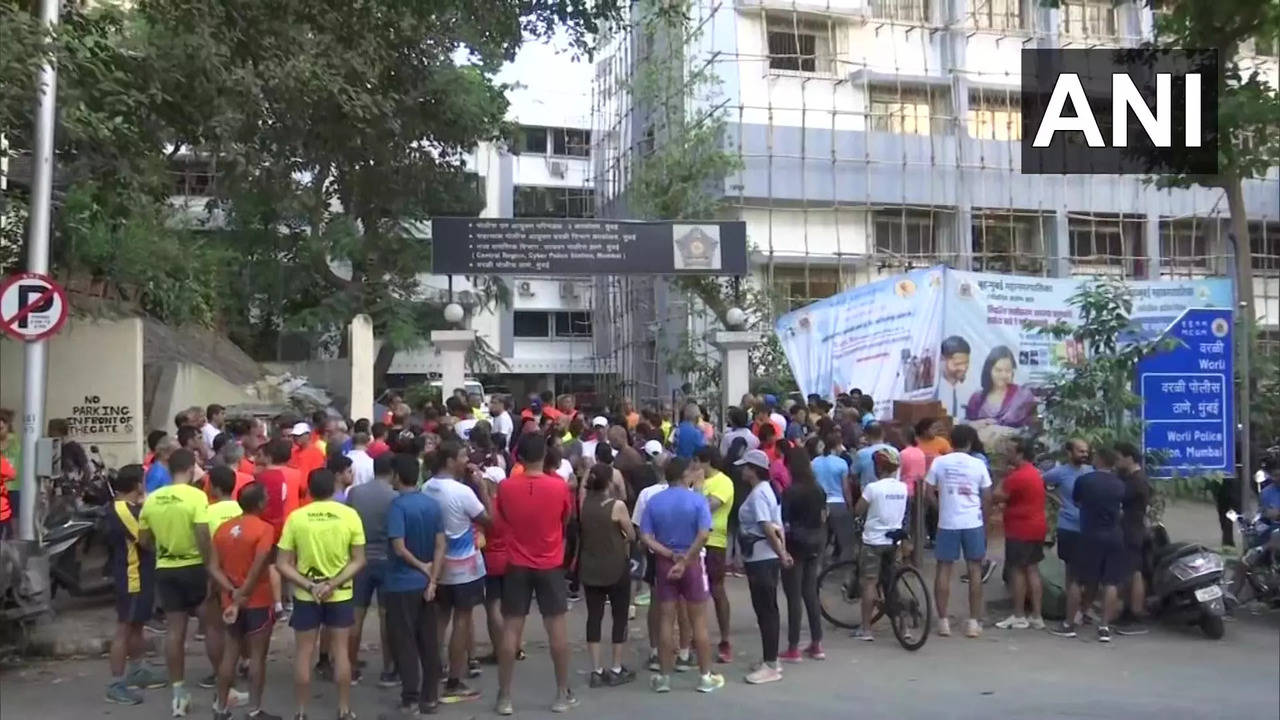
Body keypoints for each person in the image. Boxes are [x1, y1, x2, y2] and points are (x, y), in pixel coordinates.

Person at [275, 469, 367, 720]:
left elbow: (282, 563)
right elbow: (359, 560)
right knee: (341, 652)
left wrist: (309, 585)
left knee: (304, 653)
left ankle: (302, 711)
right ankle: (344, 709)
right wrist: (333, 583)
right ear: (335, 488)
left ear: (310, 490)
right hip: (339, 593)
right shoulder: (349, 516)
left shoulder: (296, 518)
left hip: (307, 595)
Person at [494, 435, 575, 715]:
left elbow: (500, 519)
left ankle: (505, 696)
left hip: (517, 562)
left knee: (511, 630)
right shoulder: (559, 487)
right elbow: (565, 519)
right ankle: (562, 693)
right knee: (557, 630)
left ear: (519, 457)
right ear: (544, 455)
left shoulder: (505, 487)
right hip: (549, 562)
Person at [639, 458, 725, 695]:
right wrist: (686, 558)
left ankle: (664, 676)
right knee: (698, 620)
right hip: (693, 563)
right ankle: (705, 675)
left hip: (665, 564)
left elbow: (645, 536)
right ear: (685, 474)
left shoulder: (655, 502)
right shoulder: (697, 500)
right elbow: (704, 534)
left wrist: (669, 554)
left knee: (666, 619)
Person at [138, 449, 213, 717]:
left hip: (166, 567)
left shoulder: (153, 498)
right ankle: (221, 689)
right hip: (194, 566)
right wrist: (209, 564)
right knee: (211, 625)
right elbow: (203, 533)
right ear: (192, 468)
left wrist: (162, 546)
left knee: (175, 631)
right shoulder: (197, 496)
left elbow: (143, 539)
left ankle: (178, 693)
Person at [422, 440, 491, 703]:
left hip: (438, 565)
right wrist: (483, 489)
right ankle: (454, 680)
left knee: (440, 619)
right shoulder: (462, 492)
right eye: (463, 456)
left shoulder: (426, 487)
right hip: (465, 568)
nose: (467, 461)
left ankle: (435, 671)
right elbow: (489, 520)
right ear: (450, 461)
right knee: (462, 621)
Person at [207, 483, 280, 720]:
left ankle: (221, 708)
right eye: (266, 497)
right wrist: (243, 594)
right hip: (257, 599)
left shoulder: (223, 529)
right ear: (259, 503)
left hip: (228, 601)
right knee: (257, 656)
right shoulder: (265, 529)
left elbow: (213, 567)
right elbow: (259, 566)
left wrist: (231, 591)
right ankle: (254, 709)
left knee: (230, 653)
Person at [385, 453, 446, 715]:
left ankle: (410, 696)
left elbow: (398, 547)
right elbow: (441, 544)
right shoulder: (431, 505)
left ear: (398, 476)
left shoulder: (398, 507)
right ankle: (430, 696)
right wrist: (432, 577)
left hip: (401, 583)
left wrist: (421, 566)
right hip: (426, 583)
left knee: (405, 640)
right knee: (428, 640)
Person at [103, 465, 167, 705]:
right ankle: (116, 683)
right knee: (125, 628)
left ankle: (138, 670)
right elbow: (145, 540)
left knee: (137, 626)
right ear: (138, 485)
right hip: (131, 577)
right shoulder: (123, 510)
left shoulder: (132, 507)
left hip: (141, 574)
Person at [1052, 447, 1127, 642]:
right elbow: (1121, 508)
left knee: (1077, 579)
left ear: (1101, 459)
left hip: (1090, 534)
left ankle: (1069, 624)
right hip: (1114, 535)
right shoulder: (1120, 484)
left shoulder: (1085, 480)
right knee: (1110, 582)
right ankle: (1104, 627)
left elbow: (1077, 502)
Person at [924, 424, 992, 639]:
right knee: (974, 571)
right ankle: (973, 621)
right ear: (970, 443)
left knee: (943, 569)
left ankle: (943, 621)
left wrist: (941, 508)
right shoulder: (978, 464)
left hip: (947, 522)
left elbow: (928, 492)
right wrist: (983, 518)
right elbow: (988, 495)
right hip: (973, 522)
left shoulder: (940, 462)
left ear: (951, 442)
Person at [578, 463, 637, 689]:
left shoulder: (585, 504)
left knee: (594, 616)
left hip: (590, 565)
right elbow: (630, 533)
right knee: (619, 615)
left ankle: (596, 669)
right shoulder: (617, 506)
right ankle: (616, 667)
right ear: (609, 482)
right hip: (615, 565)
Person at [735, 450, 790, 684]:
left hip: (761, 558)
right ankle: (771, 659)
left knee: (766, 610)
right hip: (763, 557)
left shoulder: (759, 494)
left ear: (753, 469)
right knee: (767, 610)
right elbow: (777, 527)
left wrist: (782, 553)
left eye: (745, 466)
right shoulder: (767, 490)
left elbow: (768, 528)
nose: (742, 470)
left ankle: (770, 664)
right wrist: (782, 552)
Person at [345, 452, 399, 687]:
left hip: (359, 557)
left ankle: (351, 666)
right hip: (387, 557)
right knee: (387, 615)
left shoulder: (356, 493)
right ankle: (389, 668)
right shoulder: (394, 496)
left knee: (356, 614)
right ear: (393, 472)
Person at [853, 446, 909, 641]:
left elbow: (858, 509)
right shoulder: (903, 488)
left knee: (869, 583)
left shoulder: (872, 488)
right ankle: (904, 628)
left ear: (879, 467)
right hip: (894, 540)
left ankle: (866, 629)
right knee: (893, 583)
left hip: (873, 541)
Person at [993, 440, 1046, 631]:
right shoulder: (1034, 473)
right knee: (1032, 570)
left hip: (1020, 529)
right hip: (1036, 527)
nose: (1007, 454)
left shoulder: (1017, 477)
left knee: (1017, 571)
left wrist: (1003, 477)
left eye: (1010, 451)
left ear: (1020, 454)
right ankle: (1036, 615)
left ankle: (1018, 614)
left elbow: (997, 495)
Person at [779, 445, 826, 661]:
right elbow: (824, 516)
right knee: (810, 593)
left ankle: (793, 646)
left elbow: (783, 521)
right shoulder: (818, 489)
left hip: (794, 543)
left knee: (793, 596)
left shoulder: (790, 492)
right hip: (815, 541)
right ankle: (817, 643)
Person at [1044, 438, 1094, 623]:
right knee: (1071, 572)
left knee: (1090, 572)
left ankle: (1085, 609)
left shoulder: (1091, 471)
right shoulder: (1059, 473)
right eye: (1080, 451)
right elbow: (1041, 483)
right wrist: (1057, 500)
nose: (1084, 455)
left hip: (1090, 527)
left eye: (1086, 451)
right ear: (1069, 452)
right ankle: (1072, 614)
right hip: (1068, 527)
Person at [693, 446, 734, 662]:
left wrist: (699, 488)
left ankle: (725, 639)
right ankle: (695, 638)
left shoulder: (723, 482)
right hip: (693, 542)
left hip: (714, 542)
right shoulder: (692, 481)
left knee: (717, 590)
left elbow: (705, 508)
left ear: (706, 461)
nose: (694, 466)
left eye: (697, 461)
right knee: (693, 592)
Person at [1113, 442, 1151, 636]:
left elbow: (1121, 498)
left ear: (1130, 458)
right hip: (1131, 529)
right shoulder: (1133, 478)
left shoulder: (1137, 481)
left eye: (1119, 458)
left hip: (1132, 531)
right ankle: (1129, 609)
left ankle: (1135, 614)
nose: (1117, 462)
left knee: (1134, 573)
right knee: (1131, 572)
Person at [963, 345, 1037, 428]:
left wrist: (1010, 433)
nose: (1003, 375)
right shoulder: (977, 398)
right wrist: (976, 424)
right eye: (998, 370)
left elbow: (1033, 428)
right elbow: (966, 429)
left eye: (1008, 370)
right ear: (989, 370)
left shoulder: (1023, 396)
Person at [813, 433, 854, 564]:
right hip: (838, 503)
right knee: (844, 538)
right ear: (837, 446)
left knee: (821, 538)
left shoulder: (814, 462)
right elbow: (845, 487)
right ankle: (842, 564)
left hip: (820, 503)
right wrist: (850, 504)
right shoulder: (841, 463)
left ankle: (817, 564)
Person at [934, 335, 971, 418]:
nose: (963, 368)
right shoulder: (935, 391)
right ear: (943, 359)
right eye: (958, 364)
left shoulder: (970, 390)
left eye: (966, 363)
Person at [288, 423, 326, 500]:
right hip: (293, 495)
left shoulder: (316, 453)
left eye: (299, 435)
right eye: (295, 436)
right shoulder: (292, 452)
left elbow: (316, 477)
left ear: (308, 435)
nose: (296, 438)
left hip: (307, 497)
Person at [854, 423, 893, 488]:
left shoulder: (861, 454)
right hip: (889, 492)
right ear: (883, 434)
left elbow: (854, 475)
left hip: (868, 494)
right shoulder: (894, 451)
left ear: (867, 436)